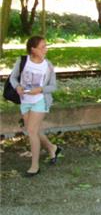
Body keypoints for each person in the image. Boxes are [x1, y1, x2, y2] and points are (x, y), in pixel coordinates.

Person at [10, 36, 61, 177]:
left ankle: (34, 166)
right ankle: (52, 148)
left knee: (32, 131)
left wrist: (40, 90)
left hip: (40, 100)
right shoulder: (22, 61)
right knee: (34, 130)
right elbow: (13, 78)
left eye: (46, 46)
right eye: (42, 47)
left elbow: (53, 87)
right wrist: (18, 87)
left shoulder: (48, 65)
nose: (46, 49)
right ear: (33, 49)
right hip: (25, 101)